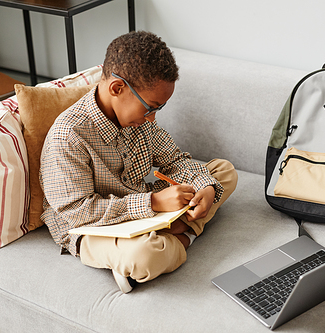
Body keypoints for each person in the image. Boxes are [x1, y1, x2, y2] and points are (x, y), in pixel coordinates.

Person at [39, 31, 238, 293]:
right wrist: (153, 203)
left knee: (223, 172)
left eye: (159, 109)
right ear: (117, 89)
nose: (153, 118)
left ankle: (172, 233)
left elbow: (175, 160)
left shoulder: (139, 122)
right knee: (143, 256)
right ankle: (183, 234)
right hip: (89, 229)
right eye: (151, 107)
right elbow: (76, 213)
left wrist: (206, 188)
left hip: (139, 208)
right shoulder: (69, 135)